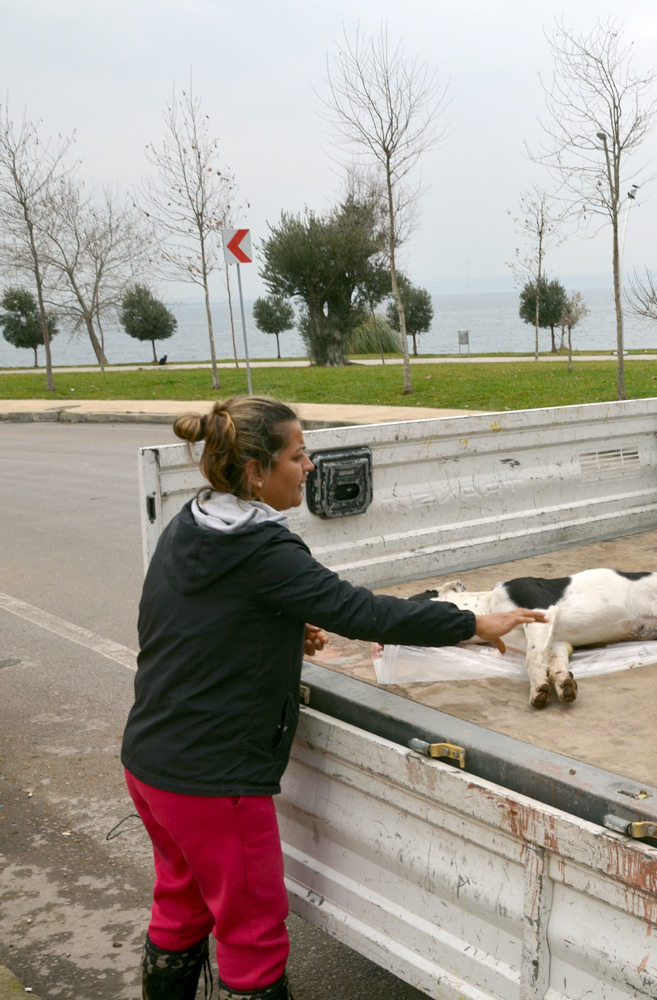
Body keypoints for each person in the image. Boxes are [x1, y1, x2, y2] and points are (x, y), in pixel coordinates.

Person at [122, 396, 544, 1000]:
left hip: (152, 764)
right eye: (298, 456)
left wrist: (282, 623)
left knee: (182, 907)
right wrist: (472, 623)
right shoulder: (263, 551)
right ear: (255, 472)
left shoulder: (192, 523)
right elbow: (360, 611)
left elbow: (189, 619)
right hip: (214, 784)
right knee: (252, 937)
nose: (310, 467)